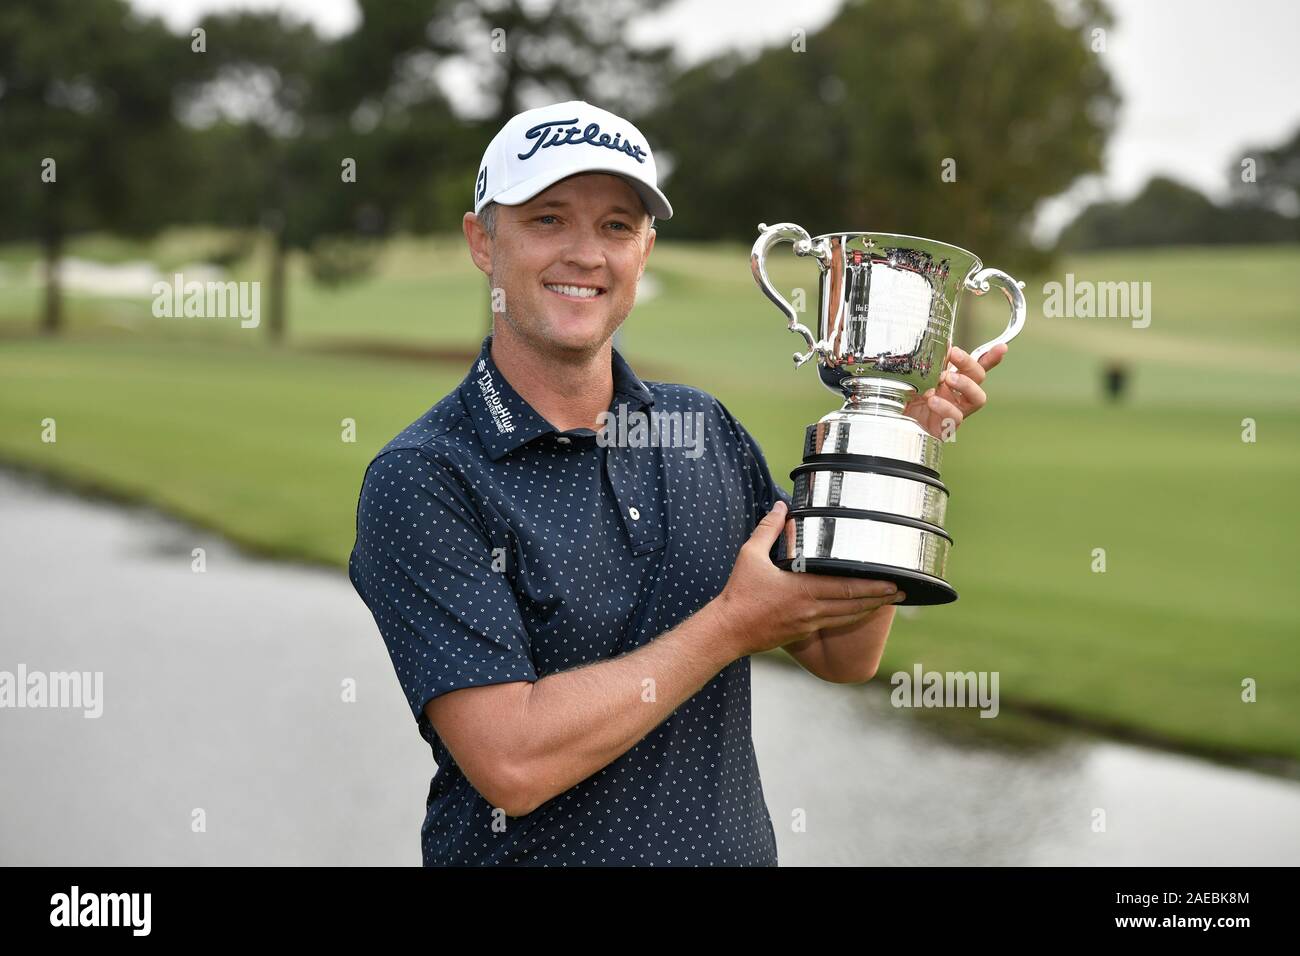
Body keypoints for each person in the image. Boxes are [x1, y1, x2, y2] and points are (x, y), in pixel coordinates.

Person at [347, 100, 1007, 866]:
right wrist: (730, 626)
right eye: (548, 220)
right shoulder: (426, 477)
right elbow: (511, 763)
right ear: (482, 242)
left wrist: (898, 445)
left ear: (646, 248)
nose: (586, 255)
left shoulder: (701, 429)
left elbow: (840, 652)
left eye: (617, 226)